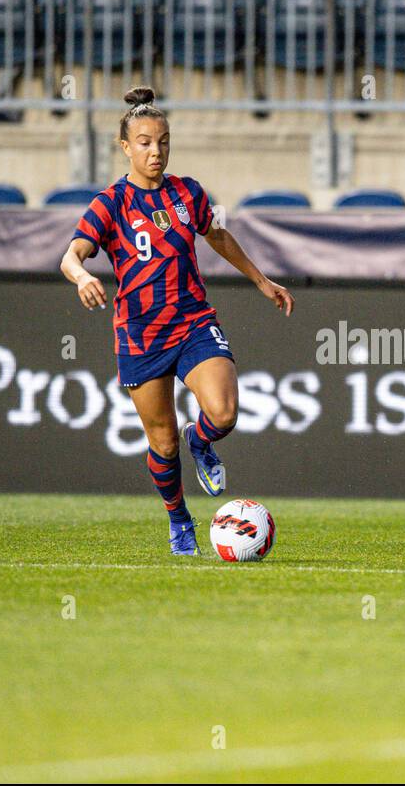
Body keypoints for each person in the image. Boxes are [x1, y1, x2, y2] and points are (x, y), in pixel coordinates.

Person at [60, 87, 295, 557]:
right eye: (144, 142)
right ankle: (178, 519)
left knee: (224, 413)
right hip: (141, 335)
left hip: (191, 322)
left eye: (163, 141)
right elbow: (70, 256)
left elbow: (217, 235)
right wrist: (83, 274)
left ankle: (202, 439)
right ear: (125, 146)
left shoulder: (187, 193)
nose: (156, 151)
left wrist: (262, 280)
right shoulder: (110, 204)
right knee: (163, 444)